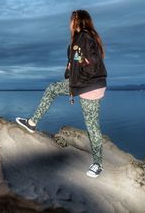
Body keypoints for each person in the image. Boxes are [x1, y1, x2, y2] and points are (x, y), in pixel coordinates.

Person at [15, 9, 107, 178]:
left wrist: (77, 79)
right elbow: (80, 62)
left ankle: (98, 164)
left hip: (89, 86)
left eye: (71, 20)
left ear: (78, 21)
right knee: (52, 89)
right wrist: (72, 68)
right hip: (84, 83)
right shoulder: (80, 40)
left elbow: (92, 66)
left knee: (92, 127)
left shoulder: (84, 37)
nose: (69, 23)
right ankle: (32, 122)